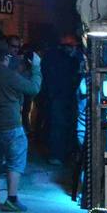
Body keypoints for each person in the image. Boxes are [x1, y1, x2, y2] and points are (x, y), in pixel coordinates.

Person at [0, 42, 40, 212]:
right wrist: (36, 68)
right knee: (15, 162)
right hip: (10, 124)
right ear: (5, 58)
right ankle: (11, 199)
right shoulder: (9, 75)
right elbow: (33, 89)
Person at [41, 35, 84, 166]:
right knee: (60, 125)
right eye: (71, 47)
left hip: (60, 96)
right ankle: (60, 154)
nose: (72, 49)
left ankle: (60, 154)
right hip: (62, 96)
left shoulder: (53, 57)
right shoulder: (66, 59)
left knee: (60, 125)